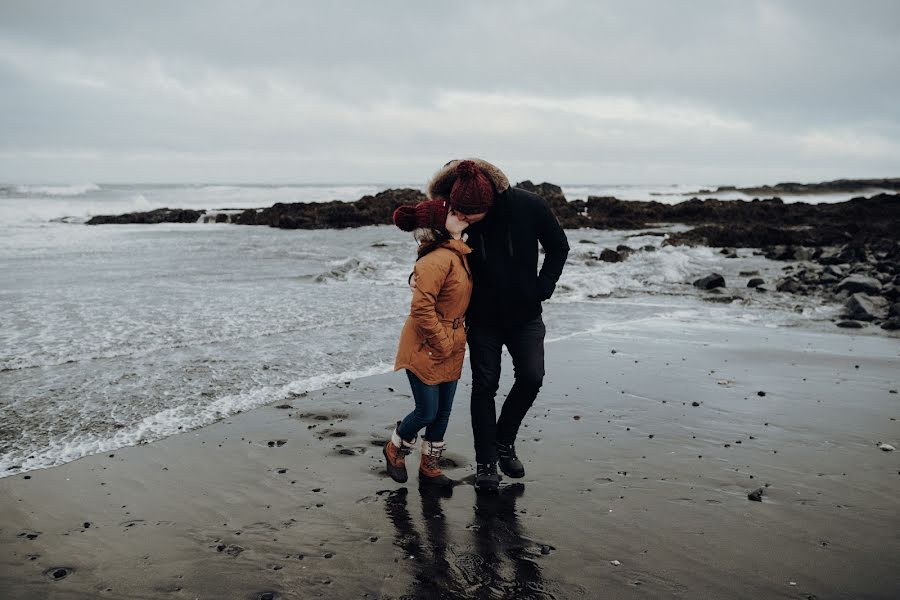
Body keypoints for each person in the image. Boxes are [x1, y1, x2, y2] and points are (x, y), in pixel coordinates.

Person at [424, 159, 570, 492]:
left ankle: (504, 440)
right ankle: (486, 462)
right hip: (482, 318)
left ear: (489, 201)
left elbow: (558, 246)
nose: (464, 218)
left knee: (532, 377)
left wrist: (543, 286)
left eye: (471, 213)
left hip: (525, 315)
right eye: (459, 211)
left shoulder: (529, 205)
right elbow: (433, 255)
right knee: (484, 386)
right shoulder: (454, 218)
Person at [384, 197, 473, 488]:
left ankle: (429, 467)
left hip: (452, 340)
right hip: (427, 343)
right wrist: (443, 342)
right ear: (438, 224)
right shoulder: (436, 259)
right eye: (453, 212)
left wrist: (453, 341)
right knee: (427, 411)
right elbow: (421, 309)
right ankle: (395, 447)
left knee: (443, 412)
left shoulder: (459, 251)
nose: (461, 215)